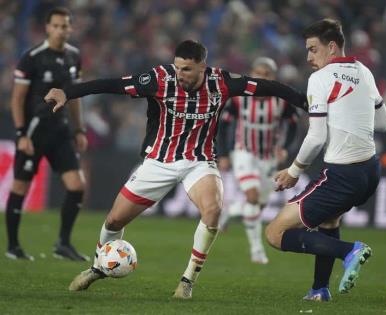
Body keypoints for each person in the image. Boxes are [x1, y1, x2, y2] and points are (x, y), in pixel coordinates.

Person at [44, 40, 308, 299]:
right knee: (114, 220)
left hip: (199, 162)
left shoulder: (222, 82)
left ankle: (187, 281)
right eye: (178, 67)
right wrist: (68, 92)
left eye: (187, 69)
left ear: (202, 67)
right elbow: (112, 84)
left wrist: (303, 101)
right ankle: (97, 266)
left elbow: (268, 86)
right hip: (159, 161)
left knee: (213, 210)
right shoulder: (159, 79)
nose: (179, 74)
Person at [265, 19, 386, 301]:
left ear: (331, 47)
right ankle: (320, 290)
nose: (308, 57)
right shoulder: (364, 71)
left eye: (312, 49)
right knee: (330, 221)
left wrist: (294, 171)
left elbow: (316, 136)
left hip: (342, 174)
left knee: (275, 233)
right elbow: (383, 123)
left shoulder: (320, 78)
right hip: (370, 171)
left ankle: (350, 251)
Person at [5, 7, 88, 261]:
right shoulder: (32, 57)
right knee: (20, 186)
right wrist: (21, 133)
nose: (62, 30)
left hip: (61, 131)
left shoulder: (74, 57)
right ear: (47, 28)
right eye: (57, 26)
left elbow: (74, 98)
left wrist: (79, 129)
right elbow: (17, 100)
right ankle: (13, 246)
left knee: (77, 186)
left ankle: (63, 243)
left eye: (66, 26)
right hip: (35, 131)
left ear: (70, 28)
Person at [217, 57, 298, 264]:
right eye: (258, 73)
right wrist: (224, 153)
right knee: (252, 197)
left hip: (268, 158)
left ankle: (229, 212)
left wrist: (285, 149)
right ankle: (257, 250)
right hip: (243, 152)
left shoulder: (282, 100)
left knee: (257, 206)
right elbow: (225, 124)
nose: (262, 77)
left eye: (266, 74)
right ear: (251, 74)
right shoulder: (238, 97)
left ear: (273, 77)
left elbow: (293, 125)